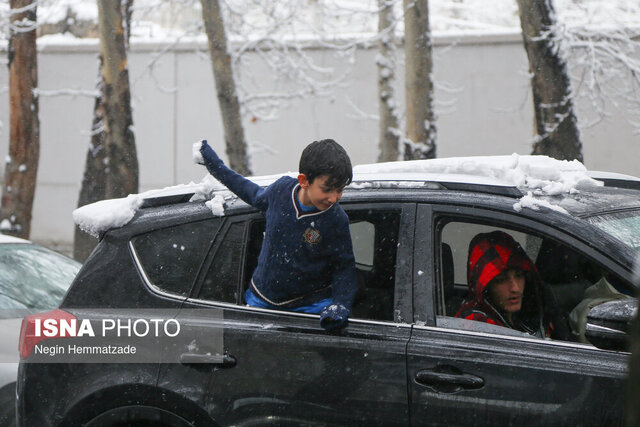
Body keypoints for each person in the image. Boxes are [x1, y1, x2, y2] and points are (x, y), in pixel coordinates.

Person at [197, 139, 358, 330]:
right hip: (261, 301)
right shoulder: (282, 191)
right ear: (304, 181)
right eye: (327, 189)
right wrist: (215, 165)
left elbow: (344, 267)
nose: (334, 198)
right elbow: (252, 193)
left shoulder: (336, 219)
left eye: (340, 190)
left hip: (310, 307)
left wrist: (339, 305)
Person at [456, 230, 568, 339]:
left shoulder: (523, 316)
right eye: (501, 280)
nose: (515, 288)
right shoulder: (476, 325)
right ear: (486, 287)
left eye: (519, 275)